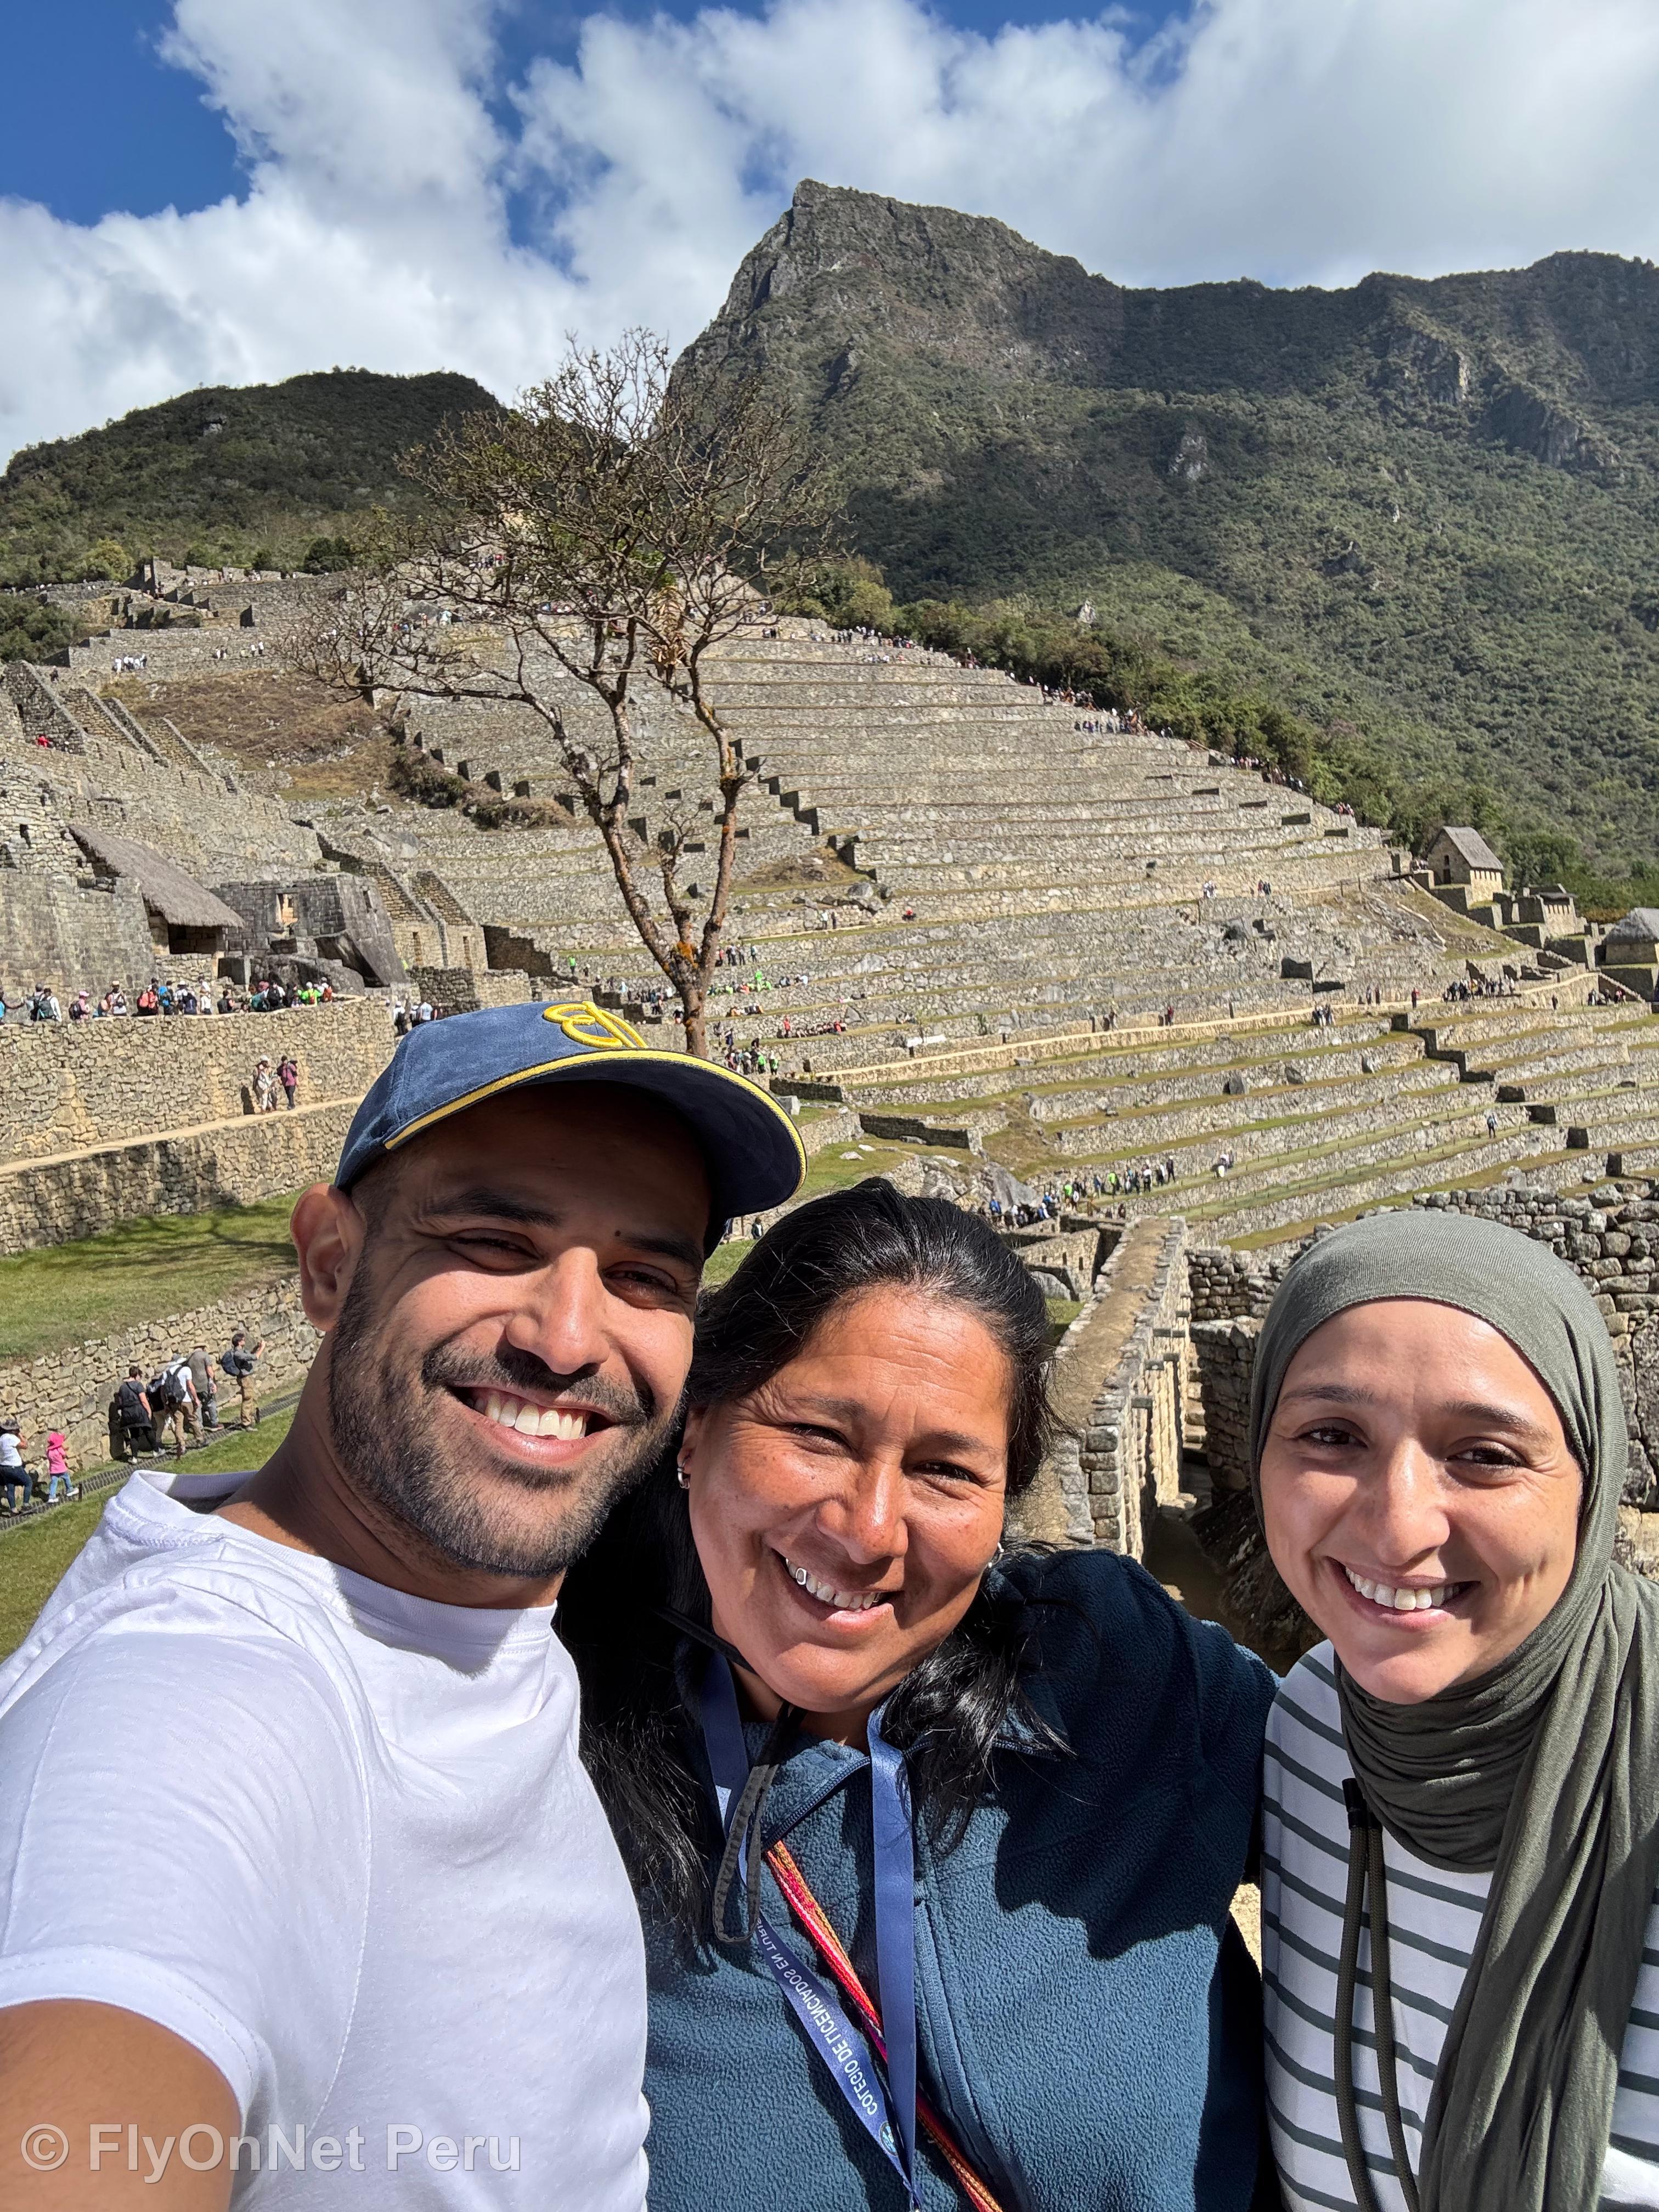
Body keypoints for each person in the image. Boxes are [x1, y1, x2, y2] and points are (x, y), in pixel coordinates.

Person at [0, 996, 806, 2210]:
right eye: (492, 1240)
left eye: (646, 1274)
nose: (567, 1338)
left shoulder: (470, 1613)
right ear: (329, 1263)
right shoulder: (186, 1709)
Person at [559, 1180, 1276, 2212]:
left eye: (944, 1469)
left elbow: (1436, 1796)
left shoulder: (1120, 1673)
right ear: (696, 1426)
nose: (867, 1527)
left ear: (1004, 1500)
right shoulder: (536, 1758)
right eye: (815, 1432)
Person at [1252, 1211, 1659, 2212]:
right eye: (1330, 1435)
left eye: (1482, 1454)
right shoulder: (1303, 1725)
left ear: (1588, 1478)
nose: (1397, 1525)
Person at [222, 1328, 264, 1428]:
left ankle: (251, 1417)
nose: (245, 1341)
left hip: (247, 1378)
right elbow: (255, 1358)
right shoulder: (238, 1353)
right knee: (247, 1399)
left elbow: (249, 1355)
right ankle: (246, 1423)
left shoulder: (240, 1352)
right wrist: (263, 1348)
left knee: (251, 1398)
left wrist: (257, 1348)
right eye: (243, 1340)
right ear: (240, 1342)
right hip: (245, 1379)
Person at [114, 1363, 154, 1461]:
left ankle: (134, 1457)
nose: (140, 1378)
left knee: (134, 1435)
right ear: (137, 1375)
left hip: (128, 1413)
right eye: (140, 1376)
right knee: (148, 1430)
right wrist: (149, 1411)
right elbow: (143, 1400)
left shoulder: (122, 1387)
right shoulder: (138, 1385)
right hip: (139, 1411)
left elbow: (120, 1402)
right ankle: (156, 1450)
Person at [187, 1340, 219, 1431]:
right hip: (204, 1384)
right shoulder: (205, 1356)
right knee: (211, 1402)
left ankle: (200, 1427)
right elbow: (209, 1371)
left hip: (194, 1385)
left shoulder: (189, 1358)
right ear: (203, 1348)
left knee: (198, 1405)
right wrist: (213, 1382)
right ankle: (214, 1423)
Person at [0, 1423, 27, 1514]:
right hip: (14, 1466)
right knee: (28, 1483)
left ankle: (13, 1510)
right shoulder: (12, 1438)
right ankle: (26, 1505)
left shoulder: (2, 1438)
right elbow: (25, 1445)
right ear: (13, 1430)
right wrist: (20, 1436)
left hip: (4, 1467)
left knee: (10, 1487)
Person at [43, 1431, 76, 1505]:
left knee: (54, 1483)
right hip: (62, 1469)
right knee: (67, 1478)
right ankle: (70, 1489)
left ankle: (52, 1497)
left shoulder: (49, 1451)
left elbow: (49, 1458)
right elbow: (64, 1455)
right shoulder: (59, 1449)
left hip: (53, 1471)